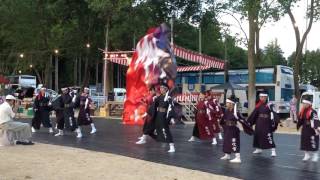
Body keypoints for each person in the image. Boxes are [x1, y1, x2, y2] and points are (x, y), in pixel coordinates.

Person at [220, 97, 253, 163]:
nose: (226, 104)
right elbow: (223, 119)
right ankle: (227, 155)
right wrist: (222, 125)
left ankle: (238, 158)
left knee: (234, 142)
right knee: (226, 142)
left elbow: (242, 120)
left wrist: (247, 126)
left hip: (233, 129)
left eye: (227, 103)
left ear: (231, 104)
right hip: (227, 128)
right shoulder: (227, 111)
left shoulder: (236, 112)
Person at [247, 92, 280, 157]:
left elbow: (274, 113)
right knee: (257, 135)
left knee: (268, 135)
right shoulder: (258, 105)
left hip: (267, 122)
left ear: (266, 97)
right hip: (259, 122)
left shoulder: (270, 105)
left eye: (263, 97)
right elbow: (254, 114)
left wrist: (277, 120)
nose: (262, 98)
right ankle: (258, 148)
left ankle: (273, 151)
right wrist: (249, 121)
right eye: (261, 97)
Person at [153, 83, 175, 152]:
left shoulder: (168, 98)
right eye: (160, 88)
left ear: (166, 89)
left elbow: (171, 107)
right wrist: (154, 98)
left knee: (165, 130)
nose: (160, 89)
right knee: (155, 128)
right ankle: (162, 139)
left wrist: (171, 117)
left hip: (164, 116)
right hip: (159, 115)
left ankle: (172, 146)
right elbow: (155, 104)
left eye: (162, 88)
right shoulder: (160, 97)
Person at [297, 98, 320, 162]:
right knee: (305, 141)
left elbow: (316, 120)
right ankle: (306, 155)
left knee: (313, 141)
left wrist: (317, 127)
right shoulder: (302, 111)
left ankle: (315, 155)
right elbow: (301, 119)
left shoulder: (312, 111)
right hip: (305, 128)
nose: (303, 104)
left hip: (312, 129)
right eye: (303, 103)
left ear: (308, 104)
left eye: (304, 103)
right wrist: (298, 124)